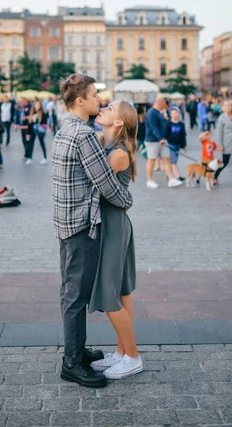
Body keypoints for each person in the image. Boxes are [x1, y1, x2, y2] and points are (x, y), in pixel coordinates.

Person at [51, 74, 133, 389]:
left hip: (65, 222)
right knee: (75, 296)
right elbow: (107, 184)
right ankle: (72, 364)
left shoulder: (65, 128)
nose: (99, 100)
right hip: (82, 226)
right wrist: (127, 200)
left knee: (72, 292)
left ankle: (77, 351)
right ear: (81, 100)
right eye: (95, 95)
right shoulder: (84, 135)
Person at [88, 100, 143, 379]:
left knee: (109, 295)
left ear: (119, 122)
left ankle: (132, 356)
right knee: (122, 292)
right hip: (114, 223)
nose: (102, 109)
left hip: (113, 226)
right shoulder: (109, 144)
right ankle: (122, 351)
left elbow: (94, 183)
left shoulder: (118, 153)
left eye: (109, 109)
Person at [144, 95, 182, 189]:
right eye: (164, 103)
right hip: (153, 140)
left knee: (166, 159)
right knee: (151, 160)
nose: (165, 105)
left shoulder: (159, 112)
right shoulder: (151, 113)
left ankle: (171, 179)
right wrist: (160, 138)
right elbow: (153, 127)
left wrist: (165, 119)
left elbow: (162, 126)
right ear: (160, 102)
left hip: (162, 140)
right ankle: (149, 180)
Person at [165, 108, 187, 182]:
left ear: (179, 114)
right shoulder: (168, 123)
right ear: (171, 115)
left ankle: (169, 174)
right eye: (173, 113)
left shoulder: (181, 124)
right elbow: (166, 134)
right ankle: (178, 176)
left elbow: (183, 136)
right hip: (170, 145)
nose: (174, 115)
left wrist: (184, 145)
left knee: (173, 161)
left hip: (178, 145)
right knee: (173, 161)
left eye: (176, 113)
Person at [30, 100, 48, 164]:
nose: (37, 106)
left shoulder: (42, 113)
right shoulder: (32, 112)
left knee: (42, 144)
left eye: (39, 105)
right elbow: (30, 123)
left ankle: (45, 158)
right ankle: (30, 158)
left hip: (40, 131)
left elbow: (44, 123)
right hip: (33, 130)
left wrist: (37, 121)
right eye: (36, 105)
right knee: (31, 144)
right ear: (34, 105)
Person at [15, 98, 33, 163]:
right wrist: (16, 124)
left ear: (25, 101)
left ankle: (28, 155)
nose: (20, 103)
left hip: (27, 127)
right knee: (24, 141)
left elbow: (32, 116)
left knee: (28, 142)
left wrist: (26, 117)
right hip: (22, 127)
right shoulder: (20, 108)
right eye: (20, 102)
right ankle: (26, 154)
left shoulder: (29, 107)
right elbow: (17, 116)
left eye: (22, 102)